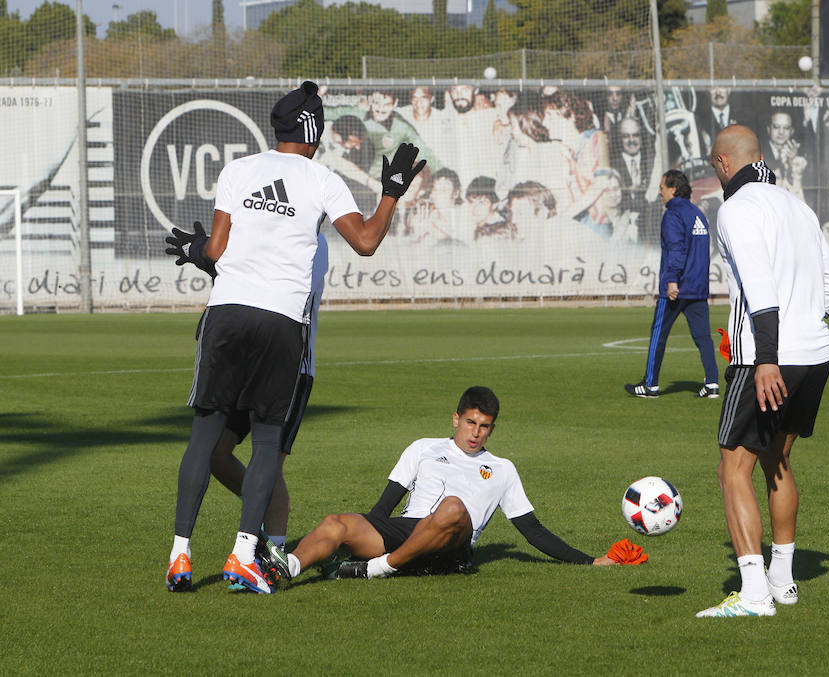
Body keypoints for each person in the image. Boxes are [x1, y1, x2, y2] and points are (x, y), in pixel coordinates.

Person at [164, 81, 426, 595]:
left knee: (203, 439)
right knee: (266, 446)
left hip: (225, 314)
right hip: (281, 322)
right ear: (316, 130)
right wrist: (392, 193)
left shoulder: (238, 170)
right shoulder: (322, 179)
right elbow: (368, 241)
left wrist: (200, 252)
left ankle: (179, 554)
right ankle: (244, 555)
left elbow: (216, 251)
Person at [264, 386, 648, 583]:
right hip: (408, 530)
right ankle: (286, 568)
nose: (476, 433)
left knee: (452, 506)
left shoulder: (502, 468)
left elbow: (532, 530)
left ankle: (377, 569)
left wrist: (589, 560)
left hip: (453, 543)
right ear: (455, 419)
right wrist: (351, 536)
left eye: (484, 426)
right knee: (336, 521)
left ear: (492, 428)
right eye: (470, 423)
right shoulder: (422, 448)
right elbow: (383, 510)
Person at [696, 125, 829, 618]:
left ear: (722, 164)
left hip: (768, 358)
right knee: (776, 460)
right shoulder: (797, 206)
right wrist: (805, 321)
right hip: (815, 354)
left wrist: (765, 358)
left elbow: (759, 286)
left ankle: (755, 595)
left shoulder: (735, 209)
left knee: (731, 468)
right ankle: (782, 579)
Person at [165, 227, 328, 582]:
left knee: (271, 462)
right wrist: (208, 259)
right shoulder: (261, 222)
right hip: (243, 356)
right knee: (216, 453)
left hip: (290, 365)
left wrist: (210, 260)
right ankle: (254, 527)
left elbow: (286, 290)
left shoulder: (313, 242)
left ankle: (273, 552)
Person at [624, 170, 718, 399]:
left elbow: (677, 249)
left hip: (677, 288)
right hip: (697, 286)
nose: (659, 191)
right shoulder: (698, 214)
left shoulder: (673, 215)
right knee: (703, 336)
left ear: (673, 189)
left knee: (659, 332)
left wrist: (672, 279)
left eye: (662, 187)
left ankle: (650, 385)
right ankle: (712, 383)